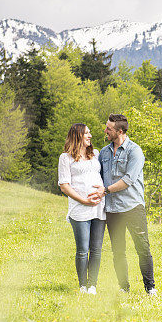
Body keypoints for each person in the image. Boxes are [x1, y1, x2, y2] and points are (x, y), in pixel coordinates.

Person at [98, 113, 156, 295]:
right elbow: (97, 176)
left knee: (142, 248)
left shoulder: (135, 151)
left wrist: (106, 190)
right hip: (113, 209)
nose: (105, 131)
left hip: (132, 208)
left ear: (120, 131)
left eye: (109, 128)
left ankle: (150, 288)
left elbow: (128, 180)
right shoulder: (104, 153)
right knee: (118, 251)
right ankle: (124, 288)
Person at [58, 123, 105, 295]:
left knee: (97, 249)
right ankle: (82, 286)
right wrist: (84, 200)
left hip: (99, 207)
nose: (90, 136)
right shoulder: (66, 158)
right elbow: (64, 186)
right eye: (86, 133)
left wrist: (101, 193)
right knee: (82, 250)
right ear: (77, 136)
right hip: (80, 208)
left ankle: (92, 285)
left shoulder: (96, 154)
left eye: (89, 133)